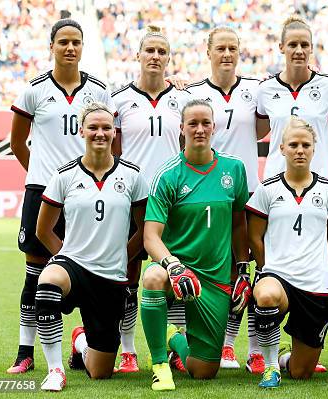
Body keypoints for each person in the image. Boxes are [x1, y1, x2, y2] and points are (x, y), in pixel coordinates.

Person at [8, 18, 114, 374]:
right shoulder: (34, 90)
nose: (70, 48)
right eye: (63, 41)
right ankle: (25, 352)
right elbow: (17, 143)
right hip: (43, 192)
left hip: (85, 194)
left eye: (76, 42)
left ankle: (83, 342)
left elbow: (112, 140)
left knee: (87, 268)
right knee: (35, 273)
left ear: (83, 47)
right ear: (51, 46)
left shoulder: (99, 91)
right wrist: (40, 179)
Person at [34, 102, 148, 391]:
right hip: (73, 267)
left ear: (114, 132)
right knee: (47, 282)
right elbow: (43, 230)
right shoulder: (65, 175)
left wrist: (123, 256)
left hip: (111, 277)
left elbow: (144, 228)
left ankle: (80, 342)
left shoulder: (133, 175)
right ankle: (55, 370)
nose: (100, 133)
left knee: (100, 372)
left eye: (106, 127)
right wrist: (64, 258)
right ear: (82, 130)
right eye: (93, 127)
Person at [140, 99, 250, 390]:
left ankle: (174, 337)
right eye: (193, 124)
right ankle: (160, 365)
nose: (199, 129)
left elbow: (240, 224)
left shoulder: (234, 169)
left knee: (203, 371)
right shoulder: (168, 175)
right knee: (152, 277)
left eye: (205, 123)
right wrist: (173, 266)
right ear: (182, 128)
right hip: (176, 269)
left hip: (214, 278)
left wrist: (242, 270)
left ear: (214, 127)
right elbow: (150, 236)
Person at [181, 26, 264, 373]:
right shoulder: (193, 92)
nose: (227, 54)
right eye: (221, 48)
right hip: (205, 196)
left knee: (247, 269)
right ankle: (209, 344)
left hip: (247, 193)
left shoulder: (257, 91)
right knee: (210, 269)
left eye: (233, 47)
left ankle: (254, 348)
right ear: (209, 51)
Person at [246, 117, 328, 388]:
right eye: (293, 144)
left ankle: (284, 360)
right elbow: (254, 237)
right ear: (282, 149)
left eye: (305, 144)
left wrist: (312, 265)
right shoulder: (267, 189)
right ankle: (270, 367)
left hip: (315, 284)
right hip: (277, 277)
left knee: (302, 373)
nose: (299, 150)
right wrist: (271, 267)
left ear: (314, 148)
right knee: (267, 295)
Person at [111, 25, 191, 373]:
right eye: (150, 51)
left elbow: (190, 149)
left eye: (162, 51)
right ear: (139, 55)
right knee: (127, 275)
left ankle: (175, 342)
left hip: (171, 201)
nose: (155, 57)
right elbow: (114, 151)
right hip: (132, 200)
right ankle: (127, 349)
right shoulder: (119, 100)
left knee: (173, 272)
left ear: (168, 58)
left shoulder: (183, 100)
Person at [256, 16, 328, 182]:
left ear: (311, 48)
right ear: (281, 47)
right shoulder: (265, 89)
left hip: (320, 183)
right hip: (276, 183)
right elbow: (253, 134)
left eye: (304, 45)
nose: (299, 50)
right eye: (292, 45)